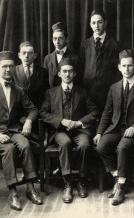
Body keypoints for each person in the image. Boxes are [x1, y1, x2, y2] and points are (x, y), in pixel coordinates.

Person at [0, 51, 42, 211]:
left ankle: (30, 188)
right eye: (4, 67)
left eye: (11, 66)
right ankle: (13, 192)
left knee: (26, 145)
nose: (8, 70)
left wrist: (28, 120)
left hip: (13, 130)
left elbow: (33, 109)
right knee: (10, 149)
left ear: (14, 69)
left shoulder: (18, 90)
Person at [93, 50, 134, 206]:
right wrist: (99, 132)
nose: (127, 69)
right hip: (116, 128)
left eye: (130, 66)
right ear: (119, 67)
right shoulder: (114, 87)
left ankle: (120, 187)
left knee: (122, 148)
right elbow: (107, 112)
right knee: (101, 147)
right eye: (124, 66)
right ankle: (118, 176)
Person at [39, 58, 99, 203]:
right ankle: (67, 183)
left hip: (79, 131)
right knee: (64, 143)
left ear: (75, 73)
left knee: (85, 144)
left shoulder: (83, 92)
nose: (67, 74)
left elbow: (95, 112)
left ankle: (81, 181)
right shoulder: (50, 93)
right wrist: (61, 121)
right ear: (59, 74)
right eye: (64, 71)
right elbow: (42, 113)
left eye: (70, 71)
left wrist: (79, 123)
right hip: (60, 131)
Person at [78, 9, 120, 112]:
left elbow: (117, 71)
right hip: (88, 91)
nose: (96, 26)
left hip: (107, 92)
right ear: (90, 24)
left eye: (100, 22)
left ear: (105, 23)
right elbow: (80, 68)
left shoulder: (114, 44)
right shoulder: (85, 44)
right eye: (93, 23)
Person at [14, 41, 49, 109]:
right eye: (24, 53)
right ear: (19, 55)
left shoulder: (42, 72)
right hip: (19, 111)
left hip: (39, 110)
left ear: (35, 55)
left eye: (30, 53)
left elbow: (46, 94)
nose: (26, 56)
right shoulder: (14, 71)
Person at [43, 22, 77, 87]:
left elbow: (77, 82)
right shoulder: (47, 58)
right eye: (55, 38)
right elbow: (44, 82)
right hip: (51, 95)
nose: (57, 42)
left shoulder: (75, 58)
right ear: (52, 40)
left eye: (60, 38)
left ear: (66, 39)